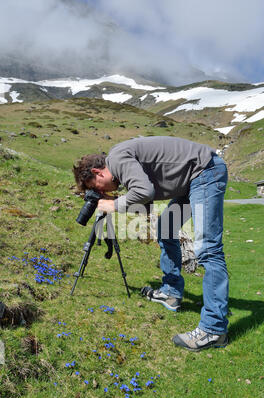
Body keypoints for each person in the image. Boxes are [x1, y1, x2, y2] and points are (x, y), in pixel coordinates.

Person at [73, 136, 229, 351]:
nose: (101, 191)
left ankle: (214, 329)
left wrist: (114, 204)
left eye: (97, 186)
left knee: (208, 249)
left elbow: (144, 191)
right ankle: (171, 292)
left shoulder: (117, 158)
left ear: (98, 172)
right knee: (166, 229)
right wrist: (120, 202)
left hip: (204, 172)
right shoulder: (121, 163)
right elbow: (145, 199)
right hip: (190, 181)